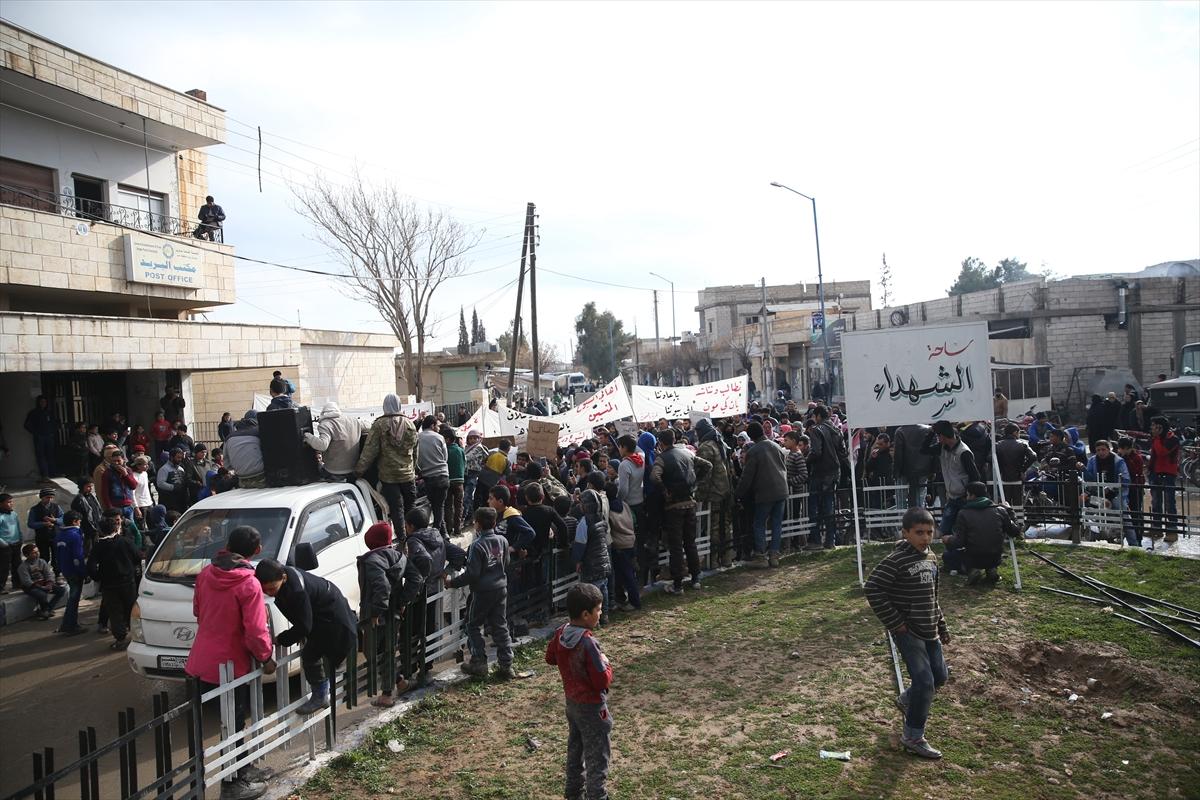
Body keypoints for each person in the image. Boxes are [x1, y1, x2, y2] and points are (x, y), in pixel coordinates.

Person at [185, 526, 275, 800]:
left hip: (201, 661)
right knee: (233, 725)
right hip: (231, 666)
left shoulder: (205, 574)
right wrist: (266, 657)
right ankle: (232, 785)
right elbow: (256, 631)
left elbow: (198, 611)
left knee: (226, 724)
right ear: (257, 550)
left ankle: (243, 769)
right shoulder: (249, 583)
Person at [864, 507, 950, 760]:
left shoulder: (931, 558)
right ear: (905, 533)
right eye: (919, 533)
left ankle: (907, 700)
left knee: (939, 677)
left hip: (929, 627)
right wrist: (896, 623)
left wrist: (942, 625)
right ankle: (913, 736)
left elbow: (933, 596)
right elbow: (873, 589)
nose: (925, 538)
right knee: (924, 682)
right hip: (908, 630)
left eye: (929, 532)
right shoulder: (896, 560)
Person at [256, 558, 357, 715]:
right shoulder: (286, 578)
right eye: (265, 590)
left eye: (272, 588)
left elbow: (304, 625)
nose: (269, 593)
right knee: (322, 656)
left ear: (283, 577)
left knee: (310, 656)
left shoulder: (297, 591)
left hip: (333, 619)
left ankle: (320, 695)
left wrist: (282, 639)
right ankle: (328, 685)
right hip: (324, 616)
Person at [545, 582, 613, 800]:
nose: (600, 614)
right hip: (593, 708)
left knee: (575, 750)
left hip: (572, 705)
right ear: (586, 614)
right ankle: (597, 796)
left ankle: (573, 793)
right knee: (597, 757)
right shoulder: (588, 643)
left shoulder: (561, 632)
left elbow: (550, 658)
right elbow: (602, 680)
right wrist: (607, 664)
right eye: (599, 610)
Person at [445, 507, 513, 679]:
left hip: (482, 591)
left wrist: (452, 583)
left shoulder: (477, 545)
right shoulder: (503, 541)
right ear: (495, 522)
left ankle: (479, 662)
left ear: (477, 524)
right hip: (501, 587)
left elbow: (472, 574)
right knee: (500, 625)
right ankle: (506, 665)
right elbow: (506, 563)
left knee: (472, 625)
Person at [358, 521, 414, 707]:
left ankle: (387, 694)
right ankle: (399, 681)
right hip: (394, 613)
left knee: (371, 652)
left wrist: (375, 612)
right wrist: (402, 602)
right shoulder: (400, 557)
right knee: (387, 650)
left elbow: (381, 588)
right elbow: (417, 578)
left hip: (377, 615)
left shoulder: (372, 561)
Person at [649, 428, 711, 594]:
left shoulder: (661, 459)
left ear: (661, 443)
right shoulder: (687, 453)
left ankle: (678, 585)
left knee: (676, 546)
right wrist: (694, 482)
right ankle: (696, 578)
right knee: (690, 543)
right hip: (690, 503)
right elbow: (707, 465)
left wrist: (665, 490)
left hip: (673, 507)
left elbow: (655, 477)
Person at [356, 395, 419, 531]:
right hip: (408, 475)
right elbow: (415, 452)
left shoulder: (379, 425)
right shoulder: (410, 424)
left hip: (389, 477)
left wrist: (358, 472)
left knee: (397, 509)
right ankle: (415, 537)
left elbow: (369, 452)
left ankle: (402, 541)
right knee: (411, 508)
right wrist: (412, 469)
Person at [943, 482, 1020, 583]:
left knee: (947, 555)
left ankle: (972, 569)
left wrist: (948, 539)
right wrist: (1009, 510)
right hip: (995, 557)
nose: (966, 498)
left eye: (967, 495)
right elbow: (1015, 531)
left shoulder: (964, 513)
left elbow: (959, 542)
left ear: (972, 495)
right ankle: (991, 569)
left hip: (974, 557)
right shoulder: (1000, 510)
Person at [738, 422, 789, 568]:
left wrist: (738, 493)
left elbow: (747, 477)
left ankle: (760, 556)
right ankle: (774, 556)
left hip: (765, 492)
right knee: (776, 524)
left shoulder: (754, 451)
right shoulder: (776, 446)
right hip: (781, 490)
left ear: (751, 436)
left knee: (759, 524)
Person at [88, 515, 141, 650]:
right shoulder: (126, 542)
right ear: (116, 528)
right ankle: (138, 636)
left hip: (109, 585)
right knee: (132, 609)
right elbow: (137, 557)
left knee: (115, 612)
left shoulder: (98, 546)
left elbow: (91, 567)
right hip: (128, 582)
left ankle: (120, 639)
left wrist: (98, 577)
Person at [923, 421, 979, 546]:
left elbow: (974, 475)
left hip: (964, 497)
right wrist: (931, 432)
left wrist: (969, 494)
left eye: (938, 435)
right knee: (945, 529)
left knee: (965, 529)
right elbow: (924, 450)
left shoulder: (964, 452)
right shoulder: (942, 448)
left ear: (943, 436)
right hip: (952, 497)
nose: (938, 438)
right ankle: (951, 553)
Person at [694, 418, 734, 567]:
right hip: (726, 489)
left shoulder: (706, 447)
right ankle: (727, 557)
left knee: (714, 527)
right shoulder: (720, 442)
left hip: (714, 492)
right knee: (726, 525)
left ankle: (713, 559)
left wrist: (699, 495)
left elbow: (704, 475)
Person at [806, 405, 847, 549]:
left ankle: (815, 540)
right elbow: (843, 452)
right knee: (830, 507)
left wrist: (806, 460)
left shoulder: (817, 430)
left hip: (820, 474)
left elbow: (816, 452)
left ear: (817, 416)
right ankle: (830, 540)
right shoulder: (837, 430)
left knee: (814, 507)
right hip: (834, 473)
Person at [1083, 440, 1135, 546]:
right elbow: (1090, 479)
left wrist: (1112, 488)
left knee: (1123, 515)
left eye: (1103, 450)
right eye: (1098, 450)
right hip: (1099, 494)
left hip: (1117, 494)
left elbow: (1125, 479)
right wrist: (1083, 470)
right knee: (1086, 510)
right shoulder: (1092, 460)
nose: (1101, 452)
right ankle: (1085, 539)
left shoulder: (1118, 461)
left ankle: (1134, 544)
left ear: (1109, 449)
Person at [303, 402, 363, 481]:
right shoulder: (354, 421)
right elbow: (369, 426)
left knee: (313, 468)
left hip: (334, 471)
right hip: (353, 469)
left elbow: (322, 445)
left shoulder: (325, 424)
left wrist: (307, 436)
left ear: (323, 413)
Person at [605, 482, 640, 612]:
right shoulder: (624, 504)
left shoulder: (608, 509)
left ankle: (635, 602)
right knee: (625, 573)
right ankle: (621, 598)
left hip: (619, 545)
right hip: (631, 540)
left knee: (627, 574)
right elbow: (634, 519)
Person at [53, 510, 87, 635]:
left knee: (72, 598)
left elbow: (57, 555)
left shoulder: (59, 535)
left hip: (66, 570)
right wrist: (83, 572)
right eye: (79, 521)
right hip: (74, 571)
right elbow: (78, 557)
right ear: (74, 521)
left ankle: (68, 623)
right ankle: (70, 625)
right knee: (74, 598)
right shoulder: (75, 535)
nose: (80, 523)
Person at [1147, 417, 1180, 543]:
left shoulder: (1173, 439)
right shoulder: (1156, 439)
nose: (1152, 428)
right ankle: (1156, 528)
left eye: (1154, 426)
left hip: (1168, 473)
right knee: (1156, 502)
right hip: (1155, 473)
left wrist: (1157, 438)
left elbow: (1161, 452)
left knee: (1169, 503)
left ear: (1160, 427)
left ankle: (1172, 530)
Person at [416, 415, 450, 534]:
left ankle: (443, 533)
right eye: (437, 425)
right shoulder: (440, 438)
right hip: (442, 475)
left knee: (435, 505)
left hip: (427, 477)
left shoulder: (417, 438)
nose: (439, 428)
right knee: (439, 506)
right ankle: (437, 532)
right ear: (432, 425)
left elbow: (416, 459)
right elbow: (445, 457)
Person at [18, 543, 64, 619]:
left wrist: (49, 583)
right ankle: (45, 611)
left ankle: (47, 610)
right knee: (42, 594)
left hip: (44, 583)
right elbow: (27, 582)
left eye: (37, 551)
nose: (37, 554)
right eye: (34, 553)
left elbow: (48, 574)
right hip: (31, 587)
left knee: (61, 590)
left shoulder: (42, 562)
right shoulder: (23, 567)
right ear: (27, 555)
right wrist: (42, 587)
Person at [995, 424, 1037, 507]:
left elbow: (989, 458)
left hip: (1003, 477)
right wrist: (1023, 469)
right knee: (1018, 503)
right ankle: (1018, 519)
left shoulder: (997, 445)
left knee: (1005, 503)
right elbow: (1033, 456)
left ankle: (1006, 518)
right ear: (1015, 432)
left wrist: (999, 466)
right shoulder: (1023, 444)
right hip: (1018, 477)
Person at [1116, 436, 1146, 545]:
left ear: (1127, 448)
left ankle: (1138, 538)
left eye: (1121, 448)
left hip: (1135, 488)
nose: (1119, 451)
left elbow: (1135, 471)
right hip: (1123, 488)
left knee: (1136, 512)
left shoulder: (1137, 457)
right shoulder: (1118, 457)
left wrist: (1126, 459)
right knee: (1123, 513)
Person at [225, 410, 266, 488]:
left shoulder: (229, 437)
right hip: (262, 477)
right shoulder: (260, 432)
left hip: (242, 478)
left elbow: (227, 465)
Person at [28, 488, 63, 577]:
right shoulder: (34, 509)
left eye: (51, 497)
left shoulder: (56, 507)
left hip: (55, 536)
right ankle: (44, 575)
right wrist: (43, 524)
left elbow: (63, 519)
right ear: (42, 497)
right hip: (42, 537)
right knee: (44, 557)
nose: (49, 500)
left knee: (57, 557)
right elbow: (31, 524)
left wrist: (54, 520)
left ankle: (57, 574)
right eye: (47, 497)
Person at [24, 395, 58, 481]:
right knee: (41, 456)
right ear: (38, 403)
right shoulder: (34, 413)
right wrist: (36, 433)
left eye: (45, 402)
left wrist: (52, 432)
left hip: (49, 437)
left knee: (50, 455)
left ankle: (52, 473)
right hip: (40, 437)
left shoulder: (49, 412)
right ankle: (45, 474)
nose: (43, 403)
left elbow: (55, 423)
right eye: (41, 402)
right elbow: (27, 425)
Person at [72, 477, 105, 552]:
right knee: (88, 550)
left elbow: (98, 510)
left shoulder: (92, 497)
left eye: (91, 486)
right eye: (88, 486)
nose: (90, 488)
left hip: (97, 527)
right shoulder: (78, 500)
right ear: (82, 487)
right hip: (87, 530)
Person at [463, 431, 488, 523]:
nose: (473, 440)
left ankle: (466, 517)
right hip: (466, 473)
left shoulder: (478, 448)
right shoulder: (467, 447)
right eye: (471, 438)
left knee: (467, 496)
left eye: (475, 438)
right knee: (467, 497)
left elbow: (467, 458)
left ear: (479, 439)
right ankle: (469, 516)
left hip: (473, 474)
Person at [0, 493, 23, 593]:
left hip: (16, 543)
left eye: (11, 501)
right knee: (4, 567)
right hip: (5, 545)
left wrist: (21, 538)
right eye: (8, 502)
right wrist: (3, 543)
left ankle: (17, 584)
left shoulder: (13, 514)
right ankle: (1, 587)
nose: (11, 504)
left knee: (17, 565)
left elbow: (18, 527)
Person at [157, 448, 189, 513]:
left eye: (181, 457)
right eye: (178, 457)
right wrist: (173, 487)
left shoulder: (181, 469)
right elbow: (160, 483)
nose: (180, 459)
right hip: (169, 501)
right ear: (171, 457)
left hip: (181, 501)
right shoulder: (164, 469)